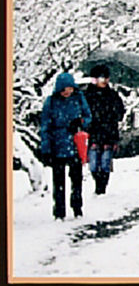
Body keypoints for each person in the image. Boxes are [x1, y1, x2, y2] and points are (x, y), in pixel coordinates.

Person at [40, 72, 92, 220]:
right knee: (59, 181)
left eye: (70, 88)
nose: (67, 92)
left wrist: (80, 122)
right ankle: (59, 211)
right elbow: (45, 126)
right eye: (64, 89)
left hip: (75, 144)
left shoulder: (78, 98)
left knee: (76, 179)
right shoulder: (51, 102)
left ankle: (77, 208)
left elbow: (88, 116)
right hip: (57, 144)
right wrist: (46, 149)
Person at [84, 64, 125, 195]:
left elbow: (120, 113)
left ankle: (102, 188)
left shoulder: (112, 95)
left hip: (109, 132)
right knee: (94, 163)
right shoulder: (87, 95)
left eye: (107, 78)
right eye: (102, 78)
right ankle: (98, 183)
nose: (105, 81)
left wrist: (113, 112)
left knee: (106, 162)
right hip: (92, 133)